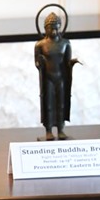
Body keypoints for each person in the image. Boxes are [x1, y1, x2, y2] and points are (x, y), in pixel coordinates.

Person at [35, 11, 78, 140]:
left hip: (61, 78)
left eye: (55, 28)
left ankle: (60, 129)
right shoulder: (40, 45)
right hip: (48, 78)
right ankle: (48, 130)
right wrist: (39, 62)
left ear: (59, 28)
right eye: (50, 29)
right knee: (48, 103)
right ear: (45, 29)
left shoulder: (65, 43)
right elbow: (37, 63)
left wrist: (72, 63)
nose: (53, 32)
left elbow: (67, 62)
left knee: (61, 103)